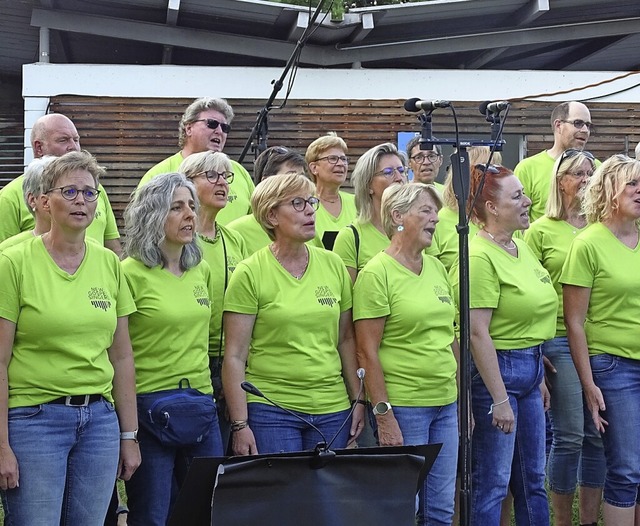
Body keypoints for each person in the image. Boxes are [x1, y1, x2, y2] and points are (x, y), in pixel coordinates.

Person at [0, 151, 140, 525]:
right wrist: (1, 446)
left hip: (99, 421)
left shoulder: (109, 263)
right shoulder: (13, 263)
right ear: (44, 201)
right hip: (34, 420)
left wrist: (129, 434)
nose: (82, 200)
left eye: (90, 193)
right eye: (71, 191)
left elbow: (122, 355)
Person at [222, 173, 364, 455]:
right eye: (298, 203)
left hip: (332, 407)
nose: (310, 210)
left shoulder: (333, 264)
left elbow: (346, 340)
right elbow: (235, 355)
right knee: (283, 499)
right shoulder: (249, 273)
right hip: (273, 409)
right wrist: (240, 424)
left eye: (311, 202)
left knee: (326, 498)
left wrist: (358, 400)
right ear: (272, 215)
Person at [451, 164, 558, 526]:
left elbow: (529, 320)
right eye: (517, 196)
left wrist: (538, 377)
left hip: (529, 370)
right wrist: (499, 399)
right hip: (498, 374)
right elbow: (476, 332)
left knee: (532, 481)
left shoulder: (520, 248)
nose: (528, 201)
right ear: (491, 208)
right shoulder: (479, 257)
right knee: (493, 483)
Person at [354, 183, 459, 525]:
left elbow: (450, 335)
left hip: (446, 403)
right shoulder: (377, 273)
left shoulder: (437, 268)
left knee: (441, 509)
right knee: (403, 509)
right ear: (397, 217)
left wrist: (462, 397)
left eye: (436, 212)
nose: (435, 219)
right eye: (426, 211)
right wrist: (383, 416)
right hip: (405, 406)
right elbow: (366, 351)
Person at [122, 172, 223, 525]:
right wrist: (128, 432)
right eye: (177, 207)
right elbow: (119, 353)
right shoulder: (128, 274)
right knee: (152, 514)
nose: (190, 215)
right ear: (152, 215)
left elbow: (208, 338)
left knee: (204, 511)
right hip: (150, 409)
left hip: (199, 404)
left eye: (192, 207)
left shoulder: (202, 271)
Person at [524, 149, 604, 526]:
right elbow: (528, 291)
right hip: (557, 336)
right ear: (560, 180)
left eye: (591, 172)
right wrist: (536, 348)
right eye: (577, 173)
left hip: (599, 338)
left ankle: (588, 519)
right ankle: (561, 520)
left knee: (598, 434)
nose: (586, 178)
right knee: (570, 434)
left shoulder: (601, 227)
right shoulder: (540, 231)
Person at [561, 155, 640, 526]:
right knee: (625, 469)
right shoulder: (588, 243)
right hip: (613, 367)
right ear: (609, 190)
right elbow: (574, 323)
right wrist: (589, 384)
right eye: (633, 184)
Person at [179, 151, 248, 449]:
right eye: (212, 175)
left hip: (234, 357)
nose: (222, 183)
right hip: (194, 358)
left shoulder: (234, 240)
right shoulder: (180, 240)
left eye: (226, 176)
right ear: (188, 183)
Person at [0, 113, 122, 254]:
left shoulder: (95, 189)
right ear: (39, 148)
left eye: (76, 140)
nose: (74, 147)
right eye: (63, 140)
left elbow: (113, 246)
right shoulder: (10, 195)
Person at [138, 97, 254, 225]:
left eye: (225, 127)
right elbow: (143, 227)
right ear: (189, 129)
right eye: (212, 124)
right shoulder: (159, 174)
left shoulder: (239, 172)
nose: (219, 131)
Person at [333, 142, 407, 282]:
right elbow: (347, 300)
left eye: (401, 170)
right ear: (368, 186)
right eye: (388, 172)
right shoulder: (350, 238)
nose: (399, 178)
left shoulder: (416, 229)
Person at [226, 145, 315, 255]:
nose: (299, 183)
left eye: (302, 177)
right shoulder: (235, 233)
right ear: (266, 182)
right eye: (290, 177)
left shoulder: (307, 227)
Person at [515, 101, 594, 221]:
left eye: (588, 125)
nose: (585, 130)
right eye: (578, 123)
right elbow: (516, 219)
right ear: (558, 125)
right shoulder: (528, 168)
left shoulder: (595, 168)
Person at [429, 146, 502, 271]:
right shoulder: (437, 221)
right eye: (488, 172)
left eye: (497, 171)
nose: (496, 179)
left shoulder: (504, 217)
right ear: (464, 175)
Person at [305, 133, 357, 249]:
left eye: (343, 159)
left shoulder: (357, 203)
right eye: (332, 159)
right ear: (314, 168)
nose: (340, 164)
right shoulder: (304, 205)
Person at [0, 156, 54, 252]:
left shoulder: (89, 247)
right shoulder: (8, 252)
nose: (79, 200)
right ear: (33, 200)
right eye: (67, 192)